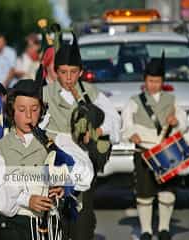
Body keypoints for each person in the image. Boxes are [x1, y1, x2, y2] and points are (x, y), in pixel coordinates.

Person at [0, 79, 94, 240]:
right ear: (12, 111)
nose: (28, 115)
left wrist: (65, 185)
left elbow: (86, 174)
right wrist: (27, 200)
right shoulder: (0, 149)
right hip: (12, 228)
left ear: (42, 110)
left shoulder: (57, 140)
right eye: (21, 109)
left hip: (49, 228)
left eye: (34, 109)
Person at [42, 32, 121, 240]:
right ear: (56, 72)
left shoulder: (91, 92)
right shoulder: (45, 93)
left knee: (82, 216)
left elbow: (114, 119)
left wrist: (97, 132)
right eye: (63, 72)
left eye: (73, 72)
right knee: (55, 211)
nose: (68, 78)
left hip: (83, 157)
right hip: (55, 156)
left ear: (80, 72)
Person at [121, 54, 187, 240]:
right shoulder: (134, 101)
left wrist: (176, 122)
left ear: (162, 81)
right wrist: (130, 134)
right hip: (144, 151)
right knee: (144, 192)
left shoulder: (172, 100)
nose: (153, 85)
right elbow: (126, 123)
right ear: (145, 80)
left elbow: (184, 122)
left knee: (167, 193)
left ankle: (164, 229)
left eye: (157, 81)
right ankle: (146, 230)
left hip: (166, 151)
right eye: (150, 81)